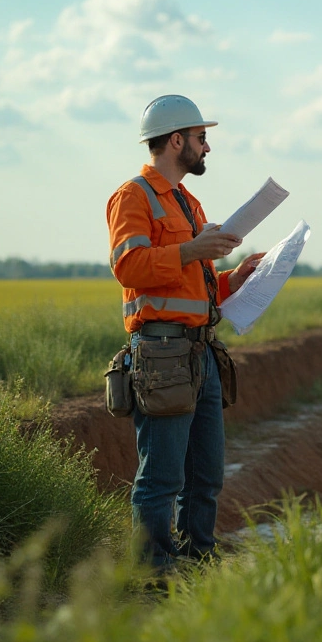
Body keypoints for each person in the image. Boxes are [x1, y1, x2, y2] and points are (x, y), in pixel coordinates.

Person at [107, 94, 265, 571]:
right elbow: (127, 265)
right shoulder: (132, 196)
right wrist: (193, 249)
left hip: (199, 353)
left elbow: (191, 281)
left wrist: (233, 279)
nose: (207, 148)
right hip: (161, 356)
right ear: (176, 140)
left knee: (205, 473)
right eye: (201, 138)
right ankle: (154, 570)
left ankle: (199, 555)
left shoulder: (187, 201)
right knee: (161, 475)